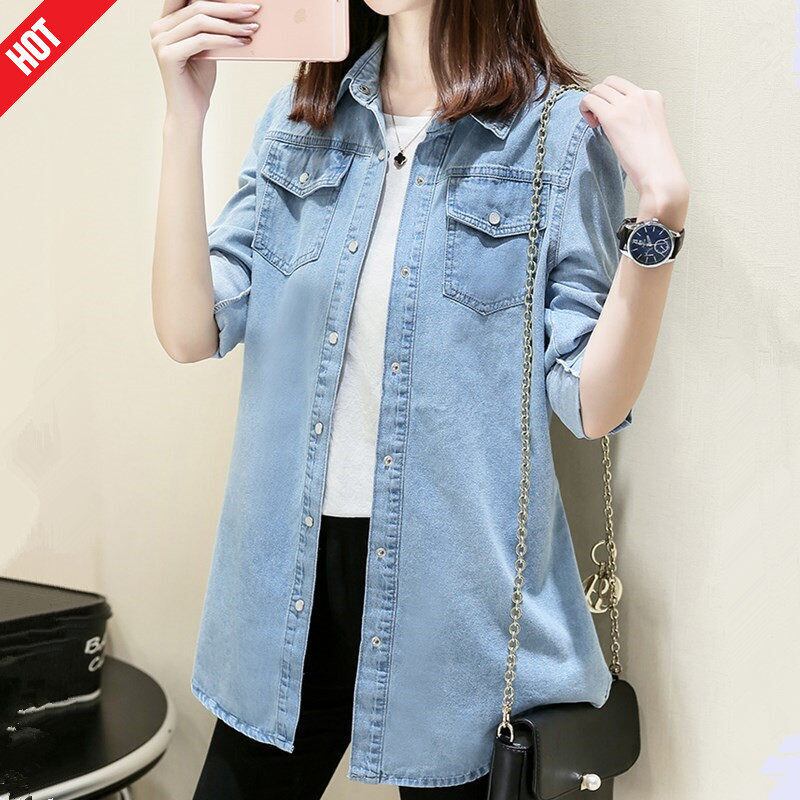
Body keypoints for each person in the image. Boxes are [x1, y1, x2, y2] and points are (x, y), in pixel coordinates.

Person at [149, 1, 689, 797]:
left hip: (460, 614)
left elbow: (591, 405)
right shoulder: (299, 122)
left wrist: (661, 213)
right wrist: (184, 116)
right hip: (287, 594)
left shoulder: (555, 135)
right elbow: (189, 330)